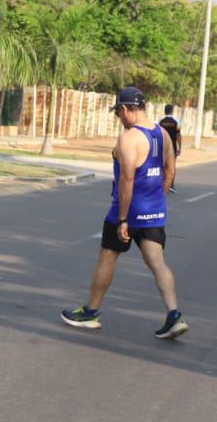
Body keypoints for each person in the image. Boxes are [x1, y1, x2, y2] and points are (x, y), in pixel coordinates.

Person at [61, 86, 189, 340]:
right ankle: (174, 315)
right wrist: (156, 198)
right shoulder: (162, 134)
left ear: (127, 109)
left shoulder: (129, 138)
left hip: (127, 212)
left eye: (119, 112)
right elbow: (171, 170)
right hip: (153, 211)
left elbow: (127, 179)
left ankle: (91, 312)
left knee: (107, 257)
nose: (119, 117)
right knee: (157, 262)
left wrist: (122, 219)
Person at [159, 104, 182, 192]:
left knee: (162, 165)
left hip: (162, 147)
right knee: (172, 166)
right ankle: (171, 185)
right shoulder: (176, 122)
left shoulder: (160, 121)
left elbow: (159, 133)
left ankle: (161, 183)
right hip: (172, 147)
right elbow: (178, 135)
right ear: (172, 111)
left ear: (165, 111)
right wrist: (180, 147)